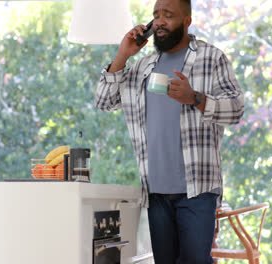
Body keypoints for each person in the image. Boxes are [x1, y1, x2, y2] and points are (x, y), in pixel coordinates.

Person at [94, 0, 244, 262]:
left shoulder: (212, 58)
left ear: (187, 21)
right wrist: (123, 55)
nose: (160, 21)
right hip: (156, 195)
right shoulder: (142, 68)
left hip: (197, 191)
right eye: (156, 15)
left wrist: (195, 98)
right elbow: (104, 101)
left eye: (168, 15)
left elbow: (236, 110)